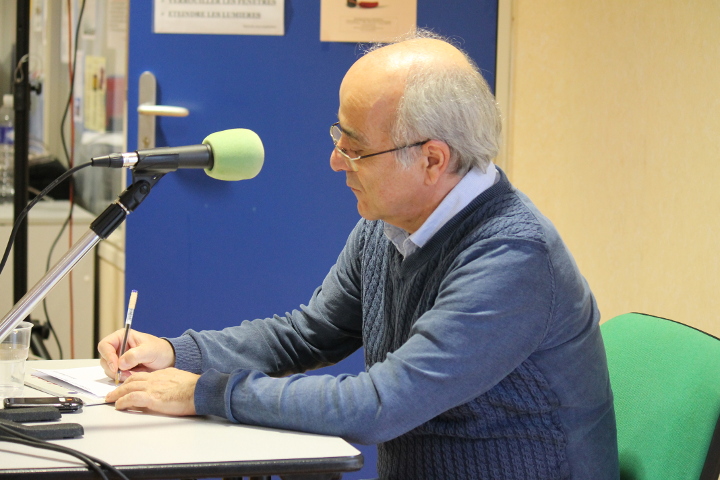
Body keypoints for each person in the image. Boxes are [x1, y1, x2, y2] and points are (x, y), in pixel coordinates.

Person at [100, 30, 619, 479]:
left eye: (354, 147)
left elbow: (378, 405)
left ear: (432, 160)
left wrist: (204, 393)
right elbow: (307, 334)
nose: (335, 161)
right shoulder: (391, 223)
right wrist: (175, 354)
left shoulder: (513, 258)